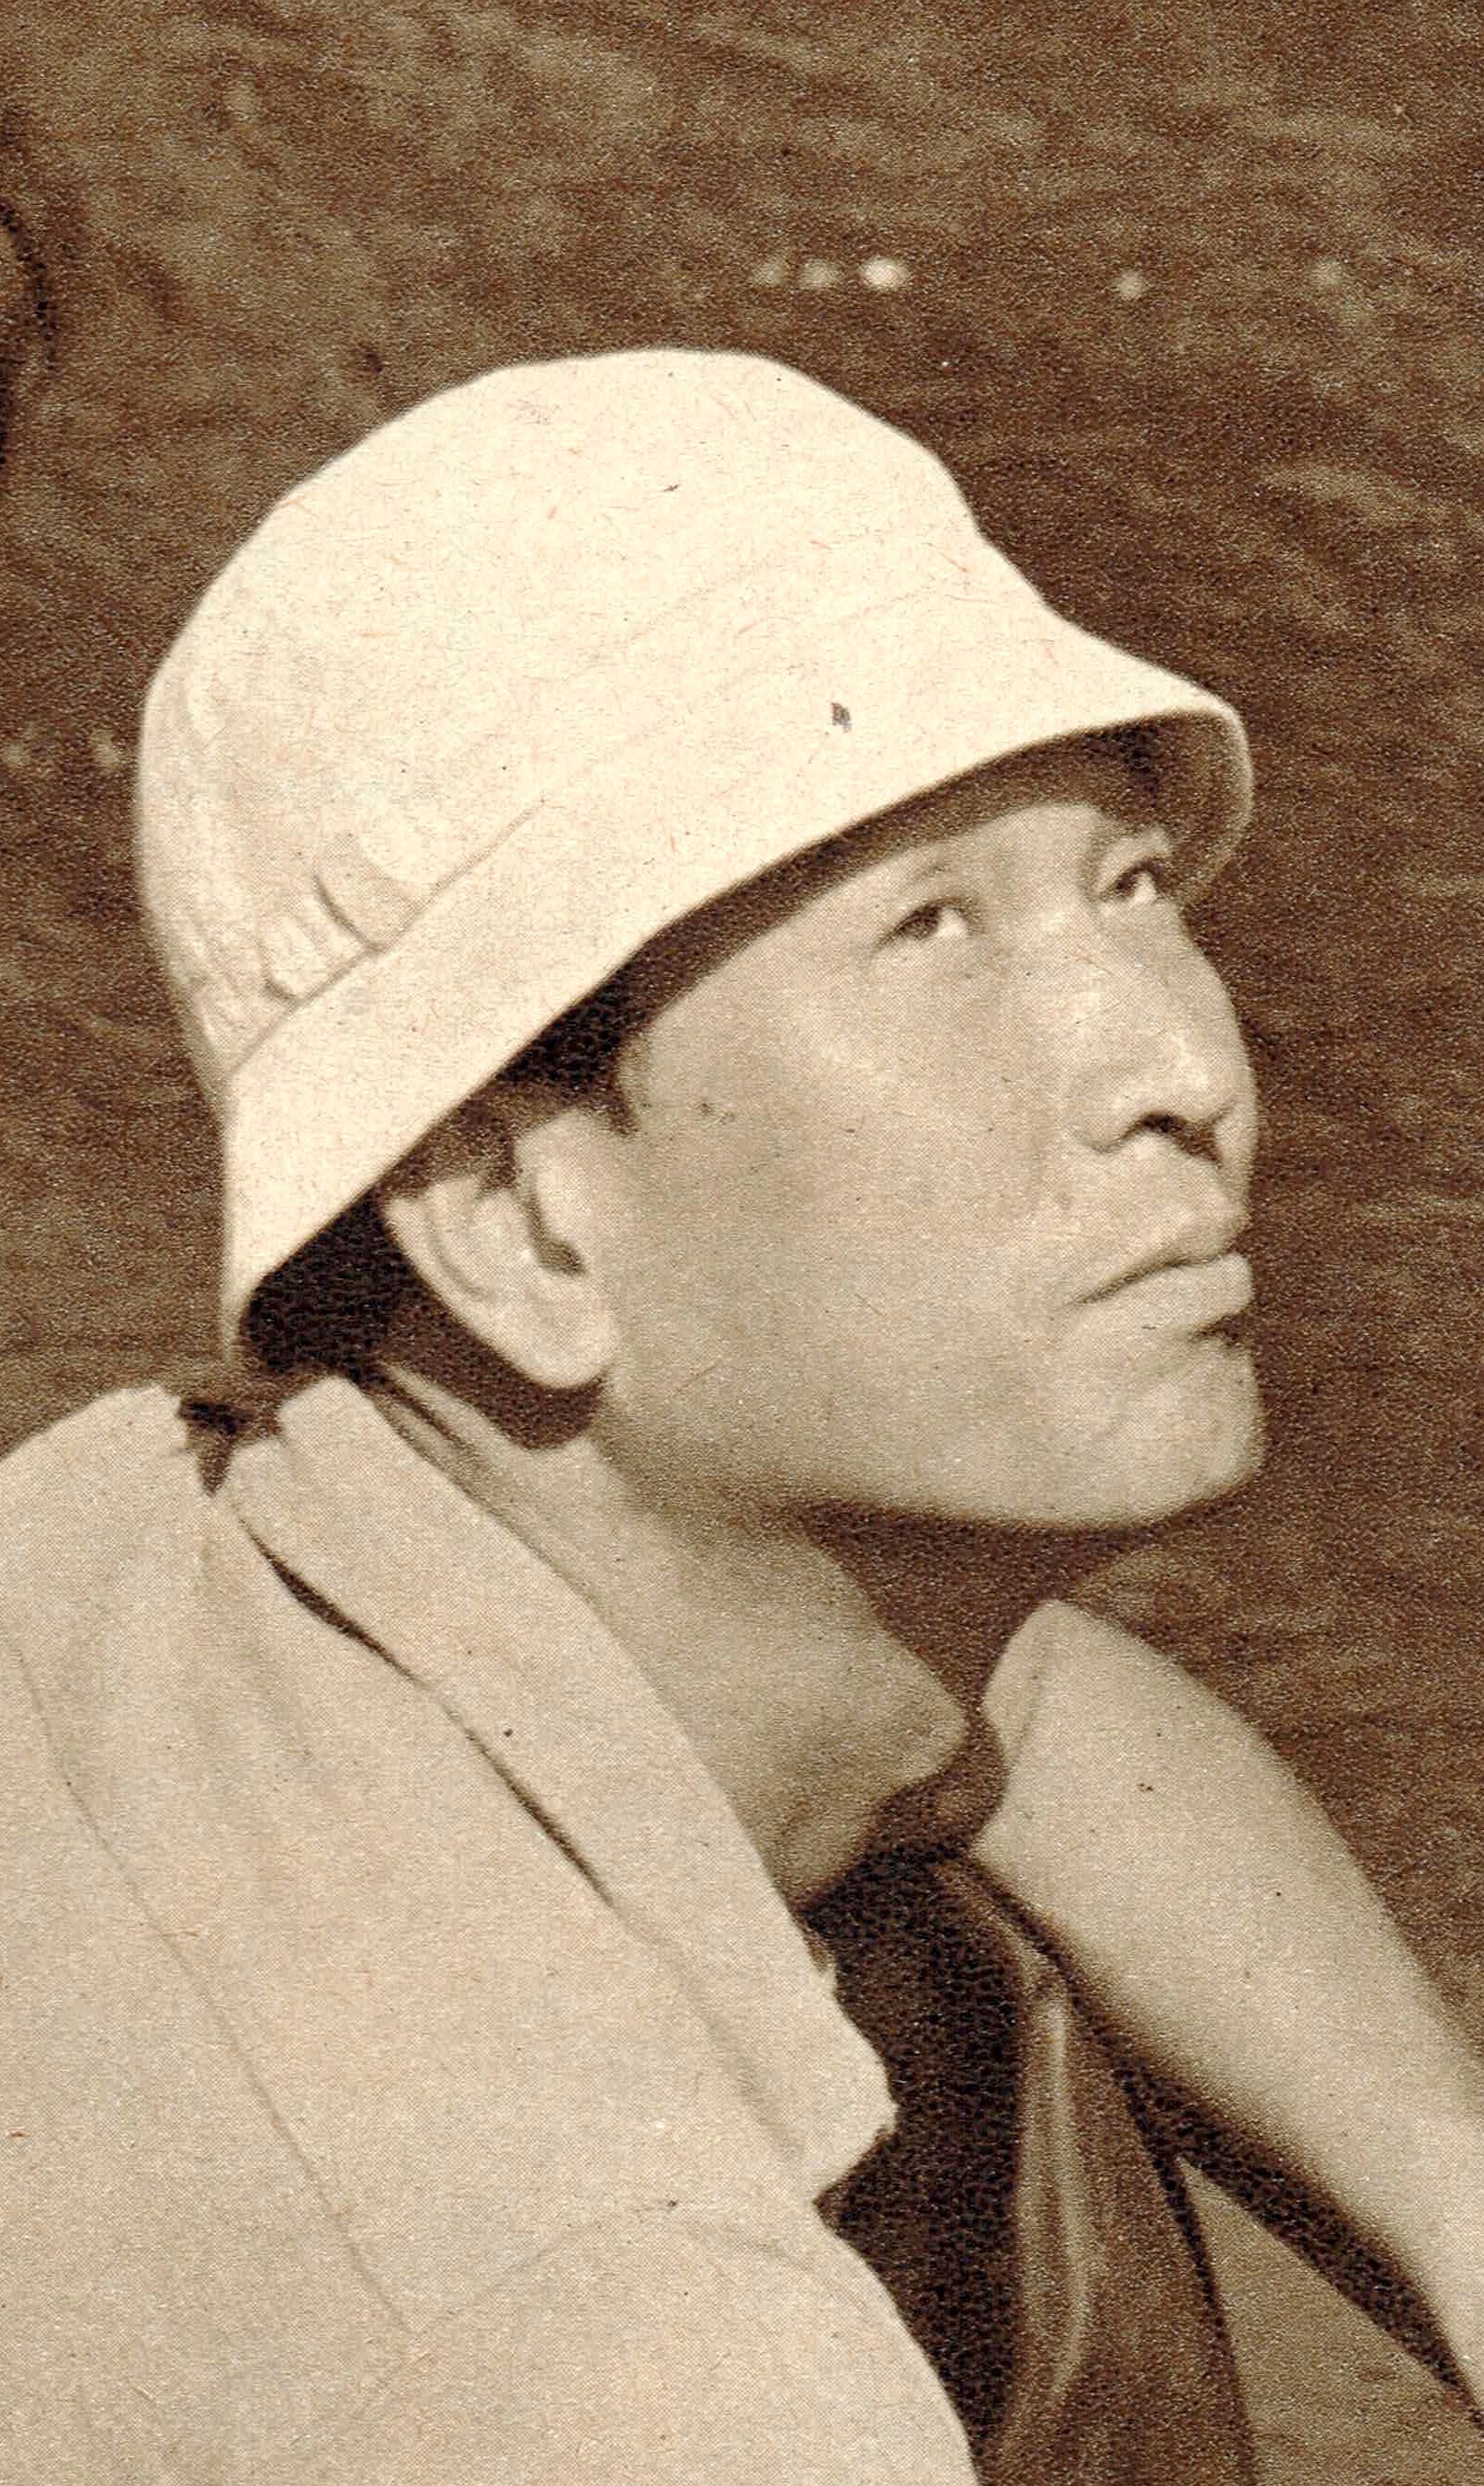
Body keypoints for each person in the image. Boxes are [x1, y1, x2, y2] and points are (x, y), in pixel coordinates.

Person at [5, 348, 1484, 2483]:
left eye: (1129, 885)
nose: (1178, 1070)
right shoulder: (632, 2368)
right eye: (933, 932)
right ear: (512, 1220)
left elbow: (995, 1715)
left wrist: (1451, 2198)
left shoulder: (162, 1553)